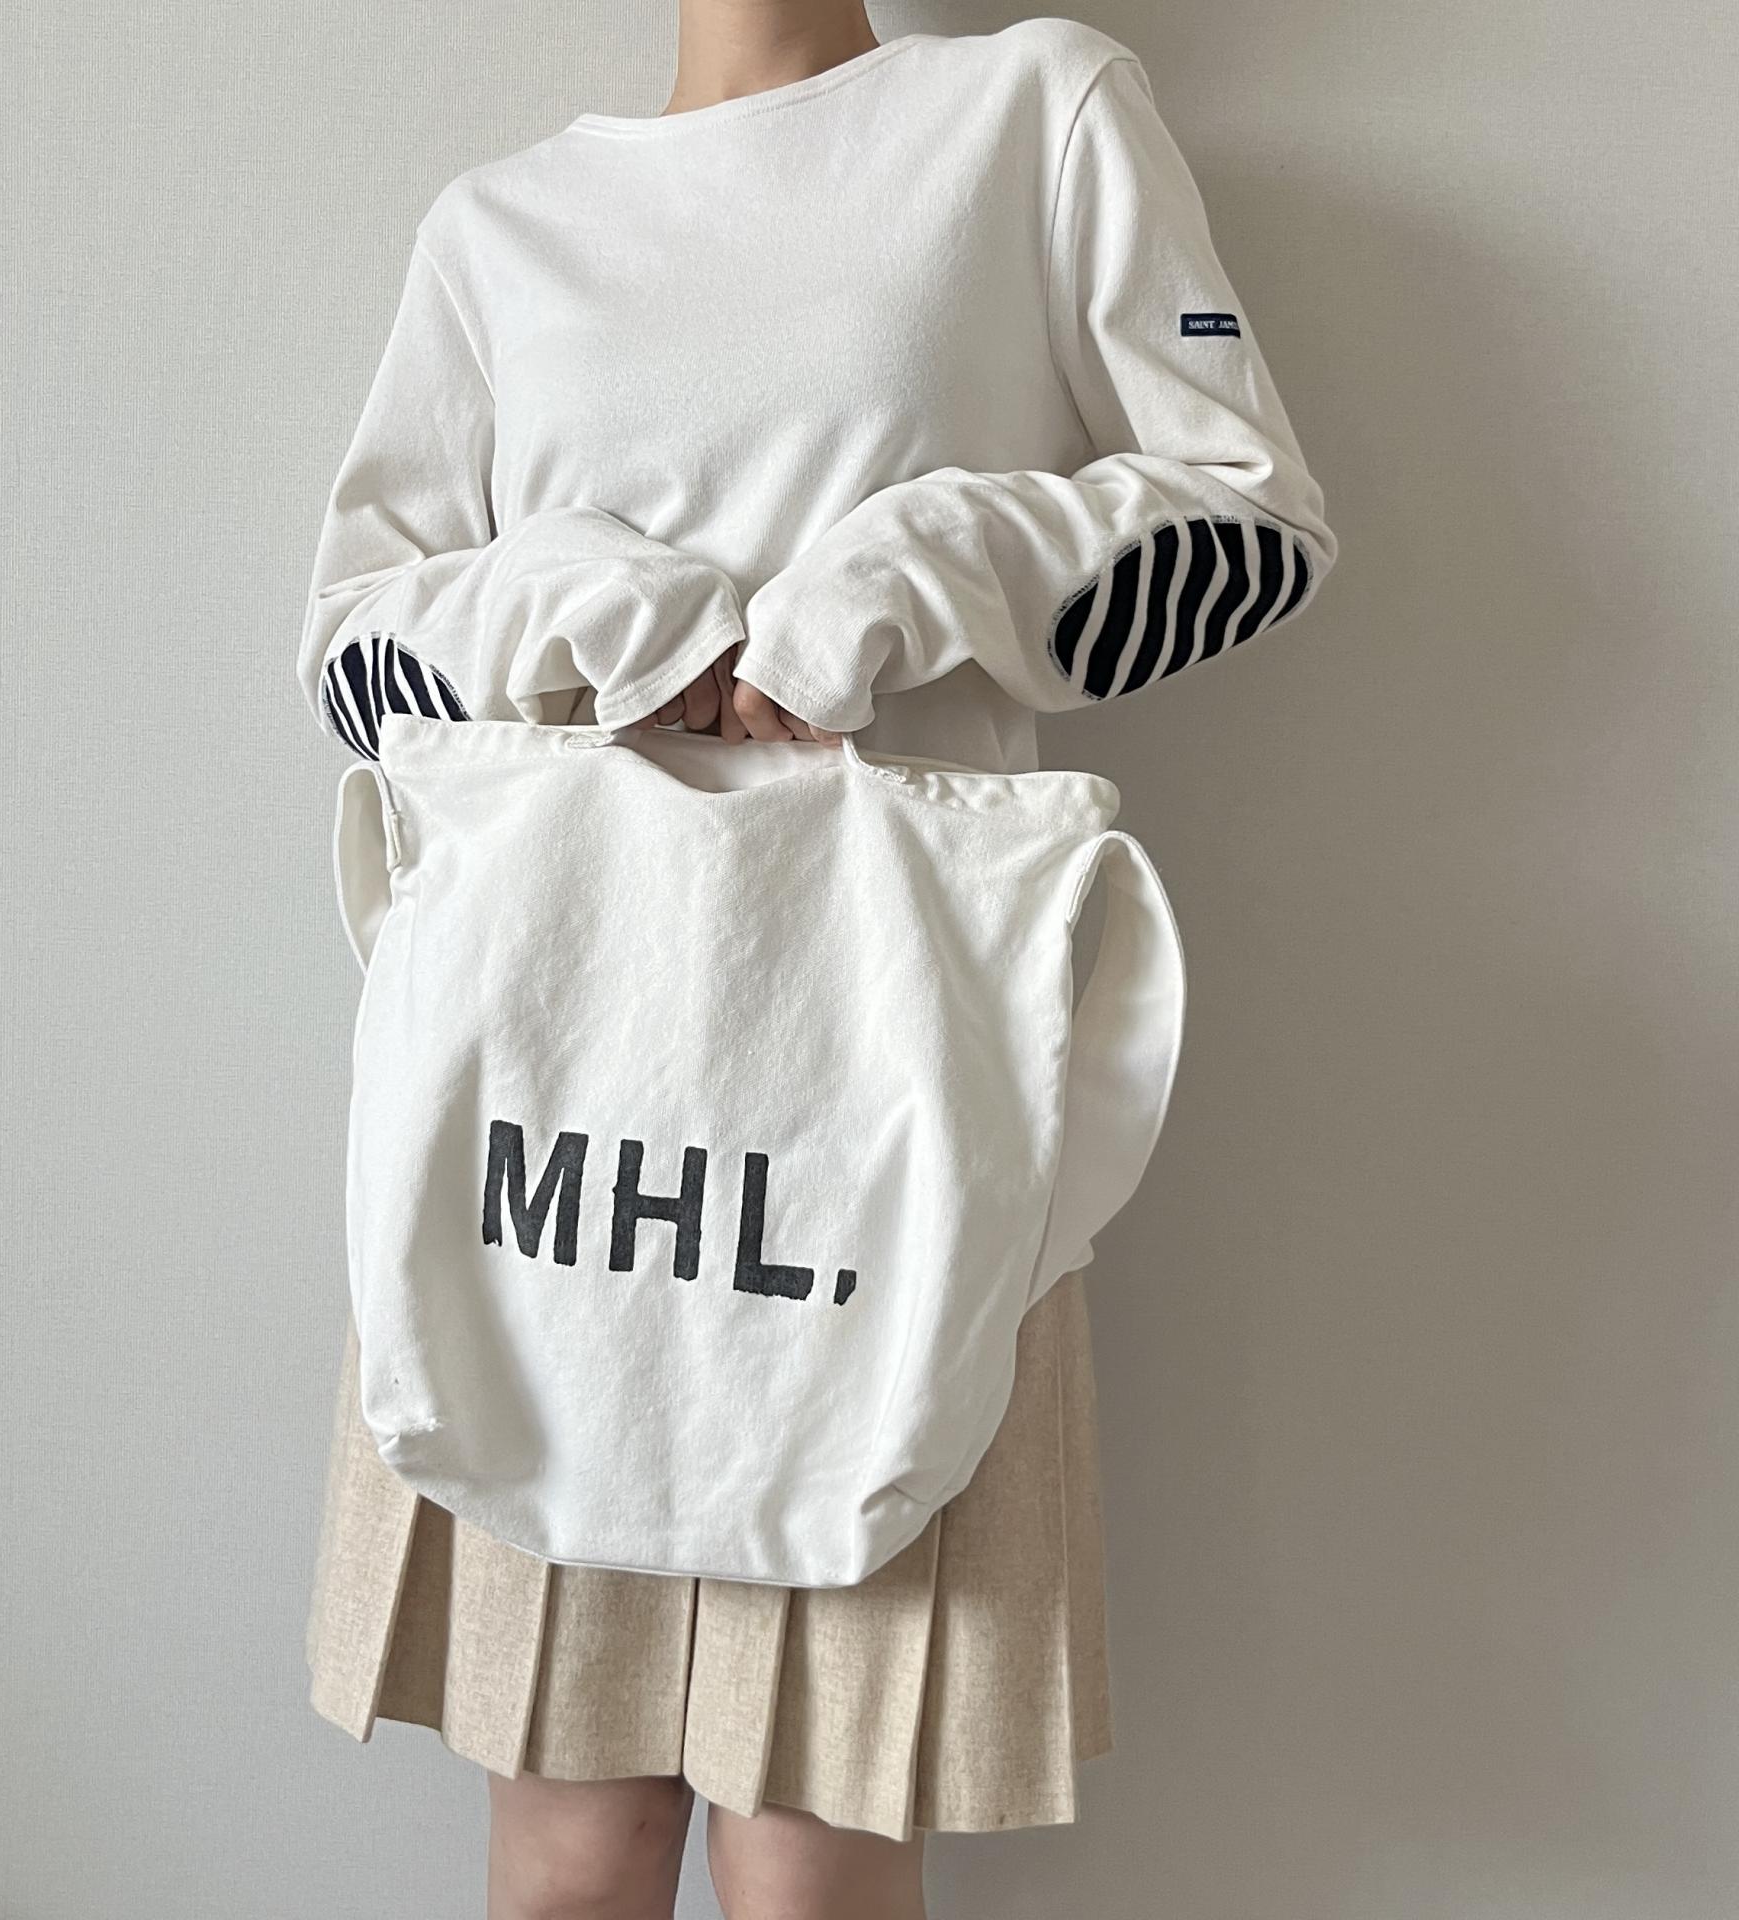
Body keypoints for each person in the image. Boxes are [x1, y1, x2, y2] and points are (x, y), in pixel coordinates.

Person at [294, 6, 1336, 1916]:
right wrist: (591, 602)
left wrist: (912, 571)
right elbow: (355, 643)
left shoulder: (1031, 111)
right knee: (567, 1865)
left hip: (886, 1084)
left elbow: (1249, 512)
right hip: (557, 1099)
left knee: (816, 1874)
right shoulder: (500, 227)